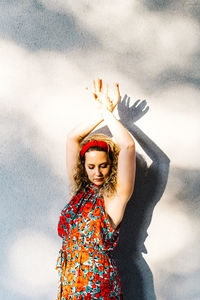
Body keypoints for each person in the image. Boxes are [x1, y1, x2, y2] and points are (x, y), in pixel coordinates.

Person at [56, 79, 136, 299]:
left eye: (103, 165)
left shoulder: (114, 198)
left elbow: (128, 146)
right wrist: (101, 111)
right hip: (69, 284)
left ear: (112, 166)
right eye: (91, 167)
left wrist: (109, 115)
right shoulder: (80, 196)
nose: (97, 173)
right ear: (84, 167)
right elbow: (73, 137)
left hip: (99, 287)